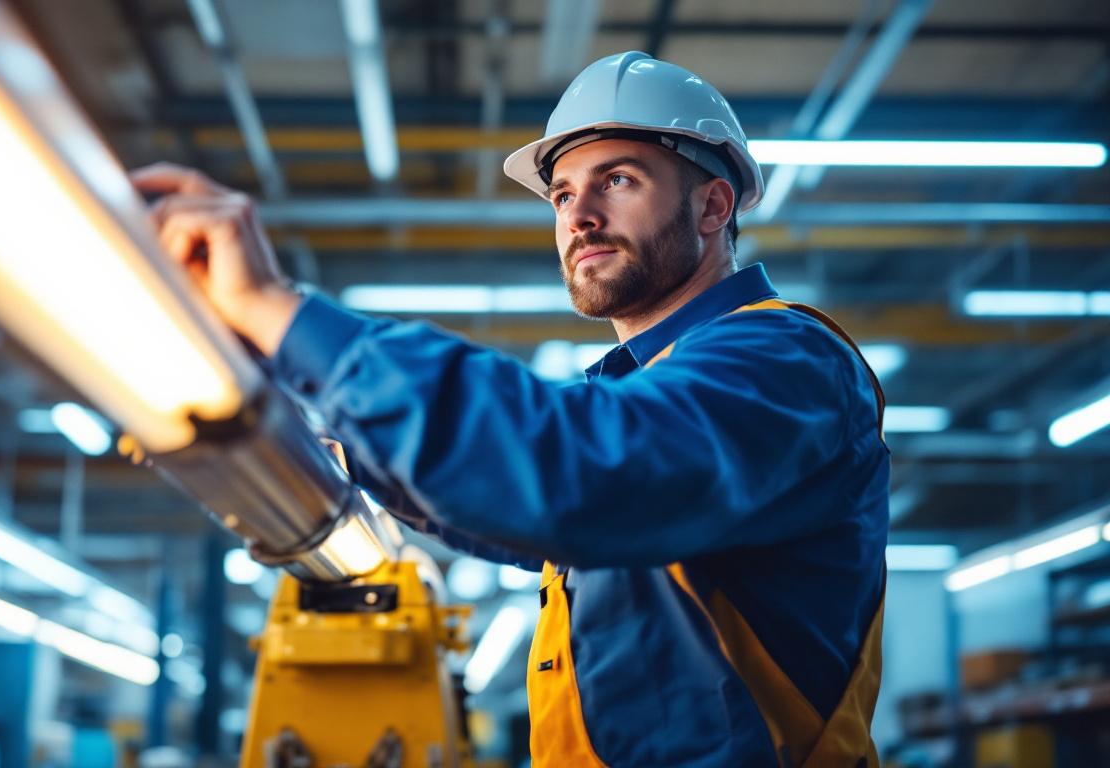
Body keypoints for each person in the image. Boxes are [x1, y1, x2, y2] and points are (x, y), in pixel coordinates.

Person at [133, 51, 888, 768]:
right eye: (563, 194)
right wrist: (300, 447)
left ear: (713, 205)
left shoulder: (786, 360)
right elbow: (506, 502)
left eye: (617, 180)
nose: (579, 215)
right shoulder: (630, 393)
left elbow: (571, 473)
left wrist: (280, 311)